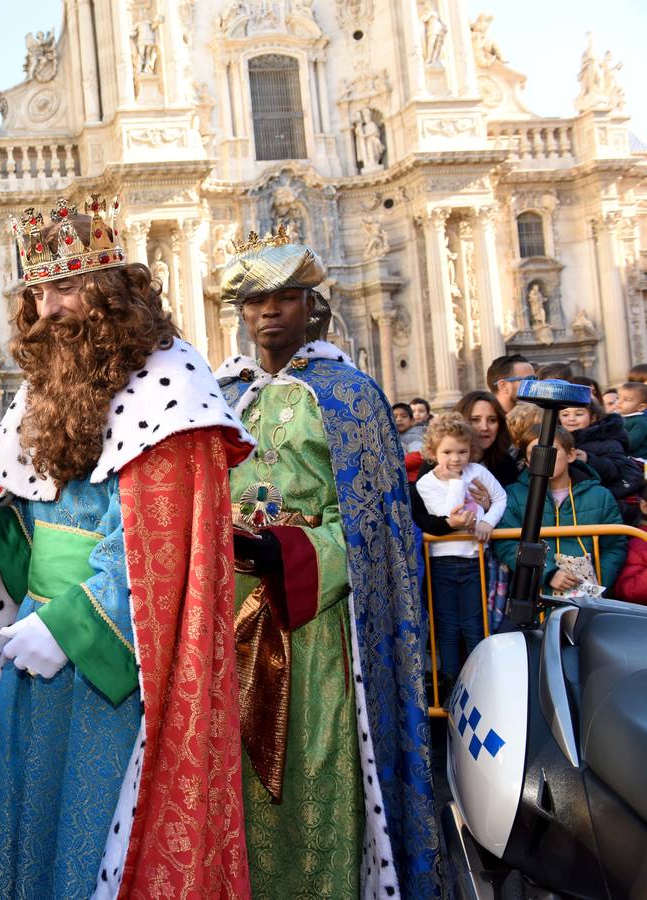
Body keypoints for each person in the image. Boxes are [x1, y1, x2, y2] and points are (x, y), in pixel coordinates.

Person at [0, 195, 254, 899]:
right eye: (38, 290)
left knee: (96, 833)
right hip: (38, 638)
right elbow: (40, 516)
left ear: (112, 291)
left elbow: (156, 545)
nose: (48, 310)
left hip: (114, 658)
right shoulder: (53, 388)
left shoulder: (171, 387)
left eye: (66, 287)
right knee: (24, 822)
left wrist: (72, 625)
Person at [215, 227, 441, 899]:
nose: (267, 313)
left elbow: (375, 526)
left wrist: (291, 552)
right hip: (229, 614)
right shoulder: (222, 395)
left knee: (317, 764)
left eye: (284, 298)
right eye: (254, 301)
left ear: (312, 306)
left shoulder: (349, 395)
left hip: (317, 624)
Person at [411, 414, 506, 686]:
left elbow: (500, 498)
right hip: (441, 562)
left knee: (475, 623)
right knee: (449, 625)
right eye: (447, 452)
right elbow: (448, 514)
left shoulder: (478, 472)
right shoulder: (426, 483)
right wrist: (456, 482)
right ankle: (451, 679)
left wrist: (487, 521)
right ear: (433, 452)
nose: (456, 459)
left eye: (462, 452)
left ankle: (482, 679)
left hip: (473, 559)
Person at [496, 427, 626, 596]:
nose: (544, 459)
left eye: (552, 452)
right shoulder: (514, 494)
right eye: (535, 453)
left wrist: (597, 582)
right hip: (535, 597)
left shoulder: (600, 496)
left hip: (587, 598)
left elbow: (614, 546)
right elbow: (506, 544)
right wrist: (547, 573)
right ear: (527, 462)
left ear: (571, 455)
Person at [558, 395, 644, 506]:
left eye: (579, 414)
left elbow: (615, 470)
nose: (571, 418)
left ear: (593, 417)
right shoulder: (556, 439)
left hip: (596, 500)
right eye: (565, 414)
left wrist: (588, 459)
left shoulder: (608, 440)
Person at [618, 381, 647, 457]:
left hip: (638, 460)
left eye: (626, 400)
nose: (619, 402)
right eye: (618, 398)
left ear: (641, 407)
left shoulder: (640, 422)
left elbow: (630, 444)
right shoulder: (618, 417)